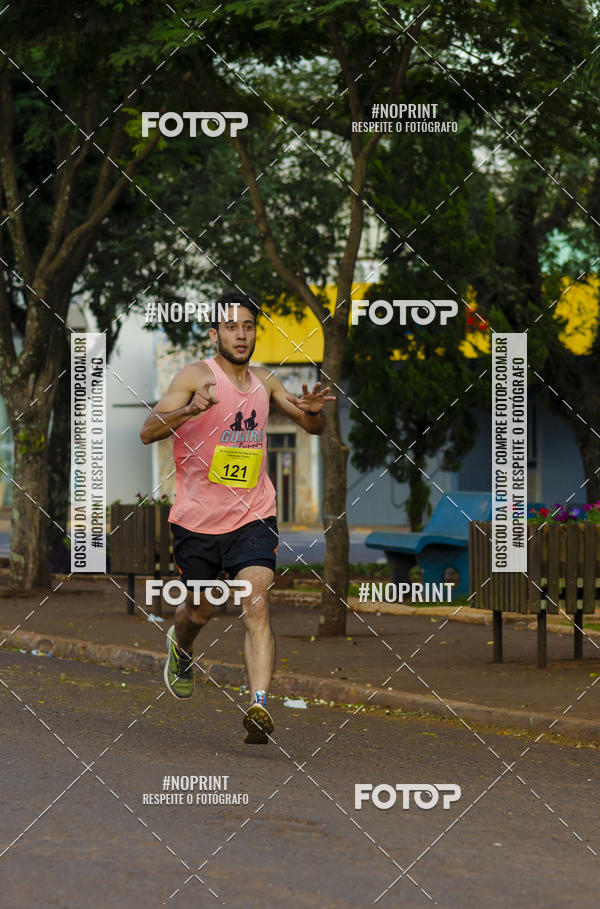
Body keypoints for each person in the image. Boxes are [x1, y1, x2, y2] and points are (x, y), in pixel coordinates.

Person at [140, 289, 334, 743]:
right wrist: (190, 409)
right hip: (197, 522)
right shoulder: (194, 377)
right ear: (215, 334)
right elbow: (147, 431)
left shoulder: (266, 382)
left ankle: (259, 706)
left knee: (257, 605)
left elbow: (310, 426)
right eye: (231, 327)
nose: (241, 335)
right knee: (199, 610)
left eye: (248, 326)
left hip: (253, 516)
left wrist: (312, 414)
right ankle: (182, 647)